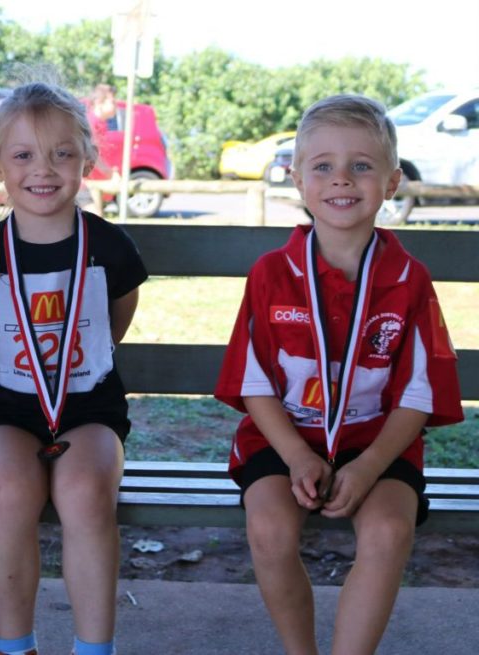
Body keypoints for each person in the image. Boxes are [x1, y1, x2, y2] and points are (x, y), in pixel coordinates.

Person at [215, 94, 464, 655]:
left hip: (379, 444)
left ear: (392, 181)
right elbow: (253, 383)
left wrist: (372, 465)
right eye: (322, 166)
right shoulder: (272, 273)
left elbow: (420, 393)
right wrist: (300, 457)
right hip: (282, 442)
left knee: (387, 531)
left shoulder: (408, 278)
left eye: (361, 165)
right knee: (271, 530)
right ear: (299, 181)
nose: (341, 179)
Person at [0, 82, 146, 655]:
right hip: (10, 408)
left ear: (87, 159)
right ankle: (16, 647)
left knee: (85, 491)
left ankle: (93, 648)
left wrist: (95, 355)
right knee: (9, 490)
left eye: (63, 153)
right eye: (23, 155)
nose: (44, 169)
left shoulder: (108, 245)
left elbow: (121, 309)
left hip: (89, 408)